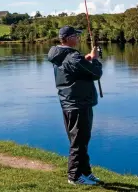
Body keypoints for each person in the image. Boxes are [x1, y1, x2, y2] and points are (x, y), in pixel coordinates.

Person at [47, 26, 103, 186]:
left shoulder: (59, 55)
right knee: (78, 141)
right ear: (69, 38)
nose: (78, 39)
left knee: (81, 139)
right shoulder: (72, 56)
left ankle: (86, 172)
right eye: (76, 36)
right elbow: (96, 73)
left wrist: (86, 59)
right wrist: (95, 59)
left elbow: (72, 70)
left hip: (69, 103)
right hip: (79, 103)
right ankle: (74, 176)